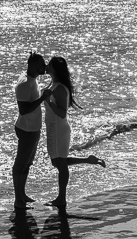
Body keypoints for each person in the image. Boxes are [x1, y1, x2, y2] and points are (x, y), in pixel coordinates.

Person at [43, 56, 104, 208]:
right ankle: (88, 160)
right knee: (57, 162)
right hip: (53, 127)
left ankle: (61, 199)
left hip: (59, 128)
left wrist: (49, 102)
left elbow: (62, 113)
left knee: (60, 164)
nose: (46, 66)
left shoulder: (59, 89)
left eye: (49, 64)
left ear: (55, 69)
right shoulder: (54, 84)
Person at [12, 52, 49, 209]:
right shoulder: (24, 84)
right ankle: (18, 199)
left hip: (33, 128)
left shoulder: (32, 80)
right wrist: (42, 99)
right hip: (26, 129)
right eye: (42, 65)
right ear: (33, 67)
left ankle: (22, 194)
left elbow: (32, 101)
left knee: (27, 164)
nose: (45, 67)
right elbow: (24, 110)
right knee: (20, 165)